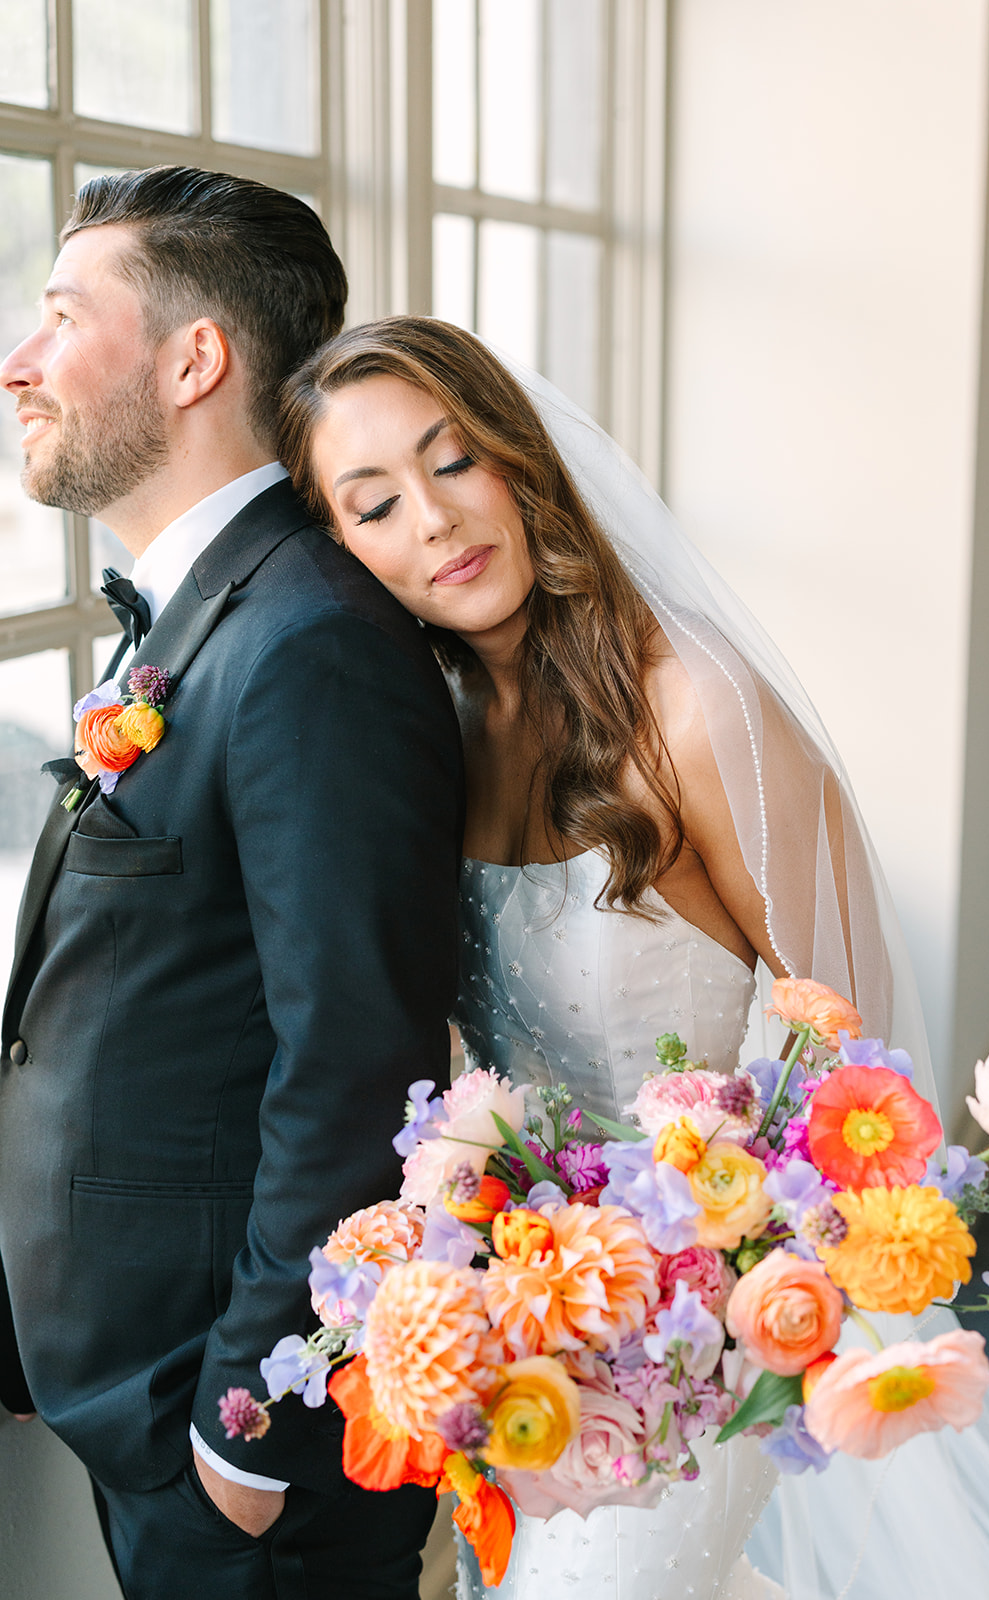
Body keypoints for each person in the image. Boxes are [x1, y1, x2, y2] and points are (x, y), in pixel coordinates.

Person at [278, 315, 989, 1600]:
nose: (430, 520)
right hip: (532, 1326)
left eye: (452, 461)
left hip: (704, 1322)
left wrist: (727, 1288)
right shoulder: (434, 733)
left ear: (518, 458)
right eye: (373, 504)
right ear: (345, 548)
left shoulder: (697, 710)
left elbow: (853, 1067)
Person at [0, 174, 463, 1600]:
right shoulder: (210, 612)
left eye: (61, 318)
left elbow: (355, 1059)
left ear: (192, 360)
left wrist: (251, 1422)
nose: (18, 360)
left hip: (222, 1419)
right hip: (125, 1372)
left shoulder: (309, 641)